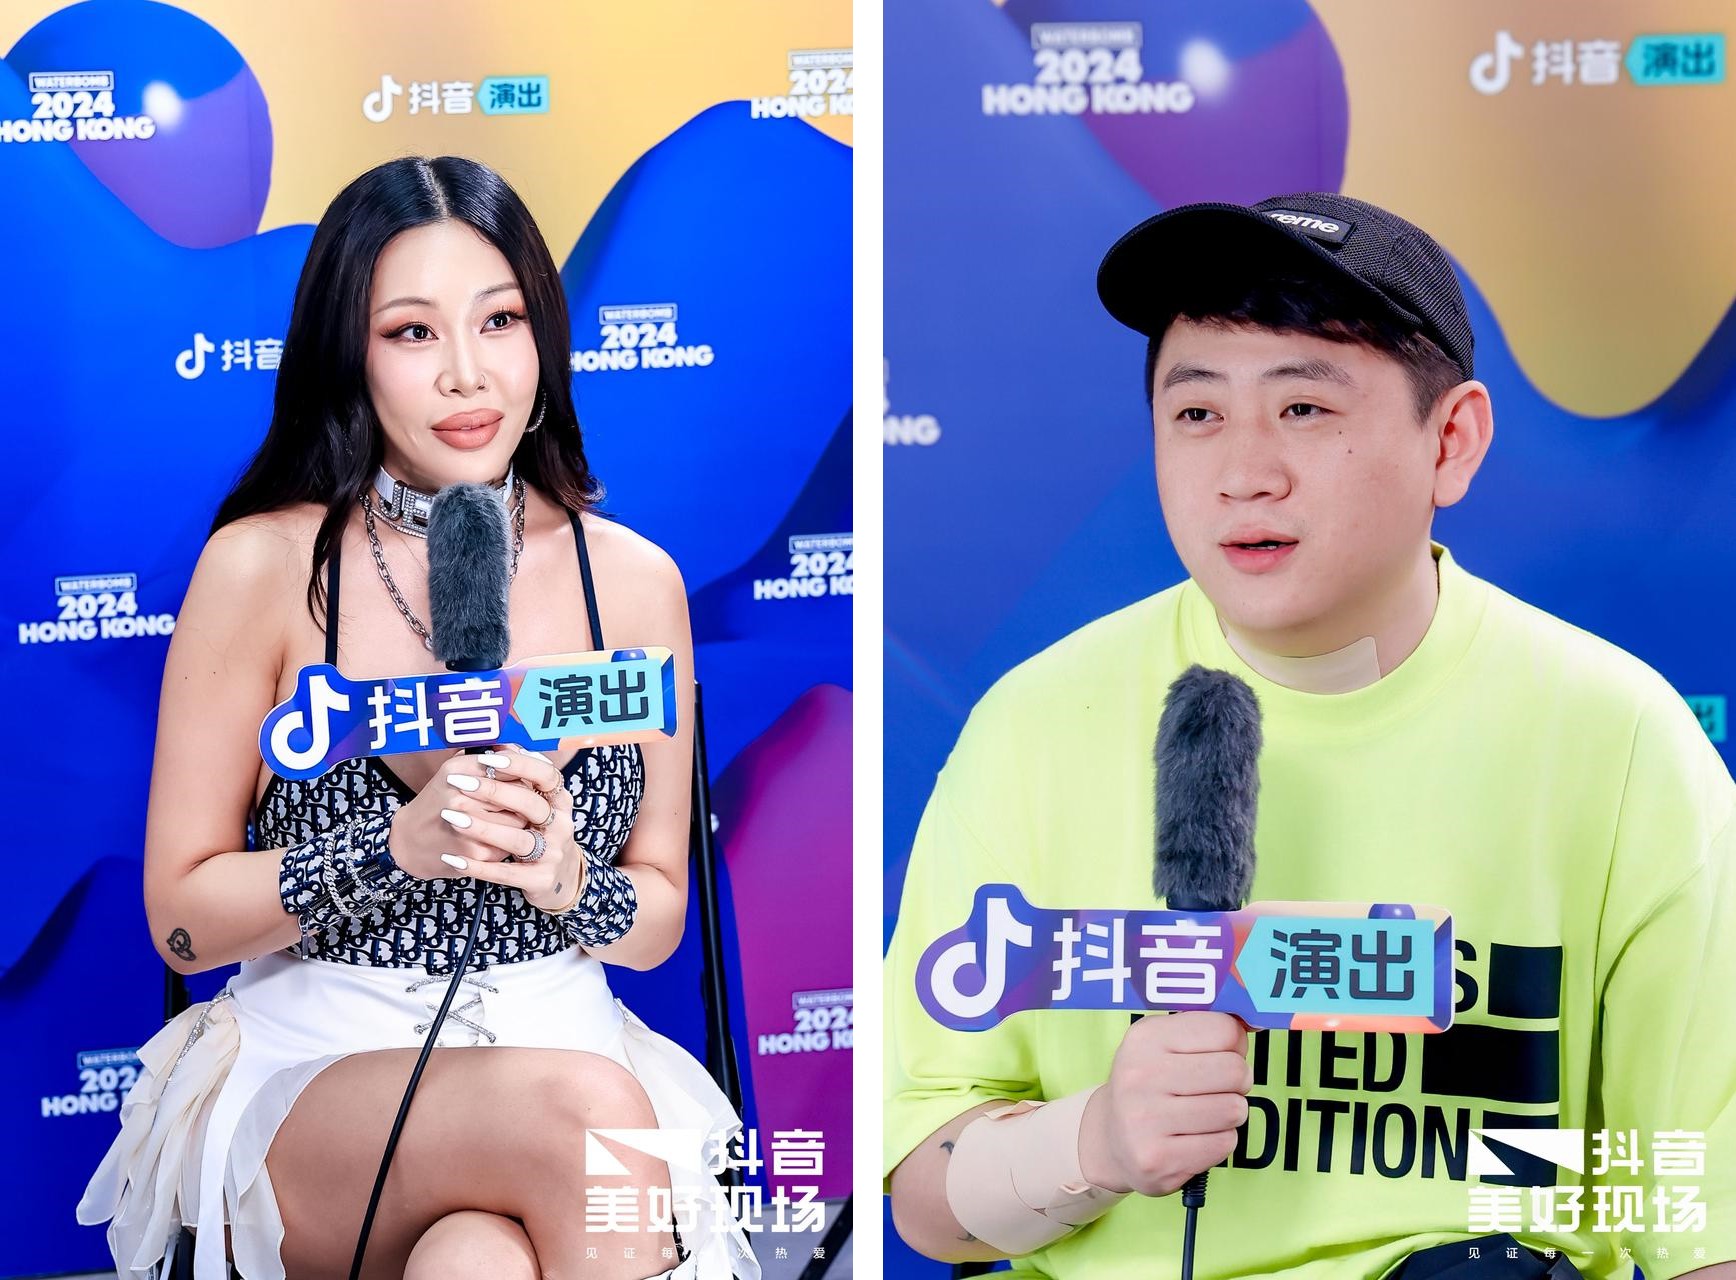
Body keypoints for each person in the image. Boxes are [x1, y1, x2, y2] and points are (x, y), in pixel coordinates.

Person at [884, 193, 1736, 1278]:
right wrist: (1091, 1143)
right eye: (1197, 413)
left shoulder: (1619, 737)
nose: (1244, 472)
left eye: (1302, 407)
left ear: (1452, 440)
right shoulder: (1034, 724)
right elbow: (926, 1203)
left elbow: (1704, 1216)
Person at [76, 156, 758, 1280]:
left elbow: (656, 921)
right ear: (348, 353)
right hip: (317, 1072)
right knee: (588, 1123)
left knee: (475, 1261)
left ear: (543, 334)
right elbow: (182, 922)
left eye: (499, 320)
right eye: (411, 332)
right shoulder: (262, 568)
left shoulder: (634, 583)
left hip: (563, 1040)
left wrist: (564, 878)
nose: (466, 373)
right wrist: (392, 847)